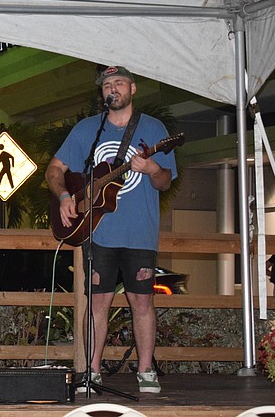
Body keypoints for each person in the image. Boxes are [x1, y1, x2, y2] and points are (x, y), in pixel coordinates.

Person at [45, 65, 177, 394]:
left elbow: (164, 182)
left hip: (139, 234)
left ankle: (146, 370)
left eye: (119, 83)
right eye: (107, 85)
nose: (112, 89)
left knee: (142, 302)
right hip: (98, 234)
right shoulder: (86, 130)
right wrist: (63, 195)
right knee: (98, 304)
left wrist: (151, 167)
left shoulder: (152, 127)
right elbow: (54, 169)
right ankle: (91, 371)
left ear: (132, 89)